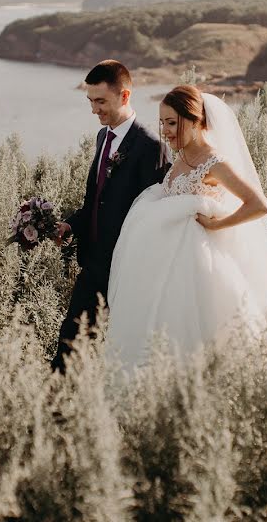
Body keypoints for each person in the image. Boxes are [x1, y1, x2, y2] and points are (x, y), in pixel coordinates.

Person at [105, 85, 267, 370]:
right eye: (163, 123)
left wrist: (218, 223)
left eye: (172, 122)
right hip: (164, 263)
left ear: (196, 121)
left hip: (197, 265)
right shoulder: (180, 156)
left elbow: (259, 204)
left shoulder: (214, 163)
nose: (166, 130)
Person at [50, 60, 168, 373]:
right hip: (95, 265)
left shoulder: (150, 147)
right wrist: (70, 225)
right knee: (69, 344)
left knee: (127, 353)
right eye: (90, 101)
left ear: (125, 96)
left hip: (128, 269)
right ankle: (56, 414)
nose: (94, 110)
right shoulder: (104, 138)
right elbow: (95, 202)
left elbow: (155, 216)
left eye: (100, 101)